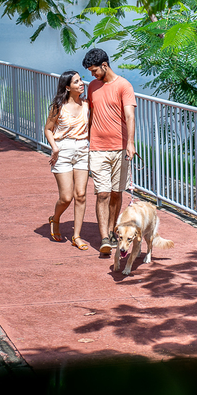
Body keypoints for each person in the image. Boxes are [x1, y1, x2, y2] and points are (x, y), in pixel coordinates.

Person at [82, 48, 136, 256]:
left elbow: (130, 116)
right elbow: (91, 113)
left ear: (105, 65)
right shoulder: (92, 86)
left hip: (120, 147)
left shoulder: (124, 86)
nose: (92, 74)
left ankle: (113, 230)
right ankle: (104, 237)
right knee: (102, 193)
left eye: (94, 70)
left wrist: (130, 143)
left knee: (116, 193)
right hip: (98, 148)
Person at [43, 70, 91, 250]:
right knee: (66, 197)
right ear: (68, 87)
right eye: (76, 82)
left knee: (81, 195)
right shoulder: (58, 106)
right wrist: (54, 147)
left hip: (82, 150)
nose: (81, 84)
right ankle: (55, 218)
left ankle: (76, 236)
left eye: (81, 80)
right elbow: (48, 129)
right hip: (63, 151)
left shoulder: (86, 105)